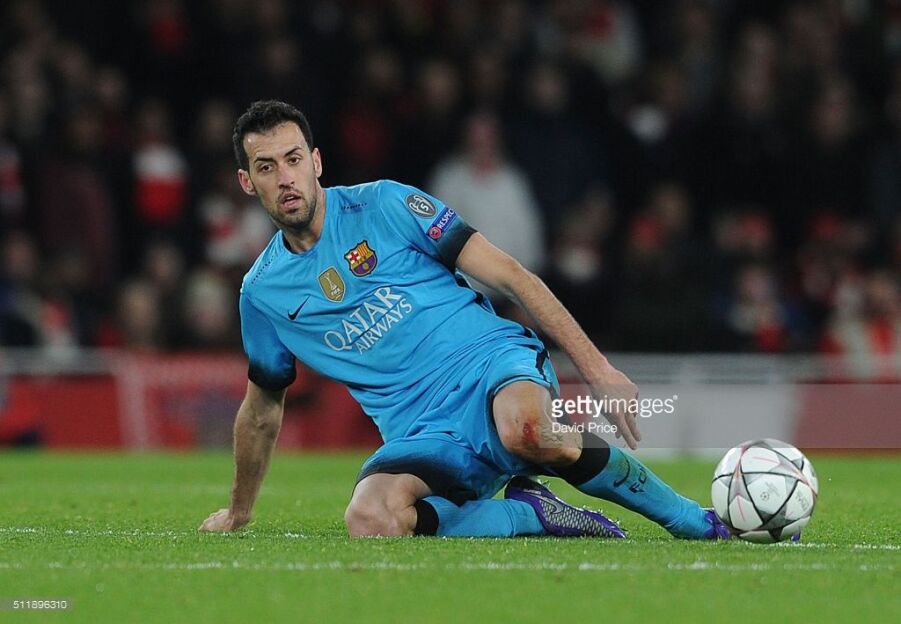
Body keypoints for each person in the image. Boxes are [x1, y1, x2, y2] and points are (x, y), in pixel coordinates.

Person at [199, 100, 730, 540]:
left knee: (528, 431)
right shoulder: (263, 294)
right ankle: (529, 514)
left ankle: (690, 519)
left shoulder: (384, 204)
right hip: (422, 431)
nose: (285, 178)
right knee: (371, 518)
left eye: (293, 159)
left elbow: (512, 276)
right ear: (247, 182)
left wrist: (599, 370)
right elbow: (262, 408)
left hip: (489, 363)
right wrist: (239, 511)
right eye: (266, 167)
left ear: (316, 162)